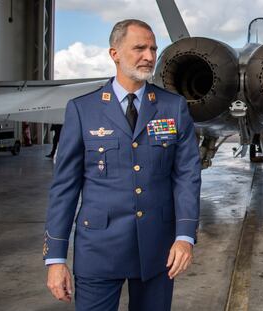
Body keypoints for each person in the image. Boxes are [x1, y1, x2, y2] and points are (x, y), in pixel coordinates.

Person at [43, 19, 201, 311]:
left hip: (158, 250)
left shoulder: (172, 107)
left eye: (153, 48)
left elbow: (187, 177)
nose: (150, 56)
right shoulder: (83, 110)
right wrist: (55, 258)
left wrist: (185, 236)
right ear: (114, 53)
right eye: (140, 48)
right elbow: (65, 188)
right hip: (99, 251)